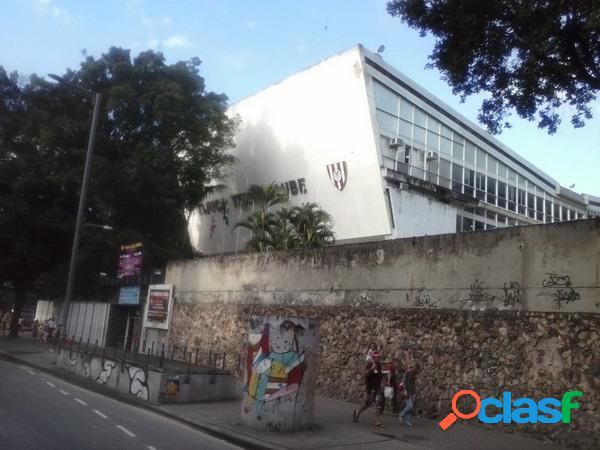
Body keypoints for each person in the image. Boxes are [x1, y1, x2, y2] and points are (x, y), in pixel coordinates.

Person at [353, 350, 385, 427]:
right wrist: (371, 369)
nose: (379, 358)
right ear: (373, 358)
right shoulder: (369, 364)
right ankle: (357, 412)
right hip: (370, 388)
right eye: (377, 357)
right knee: (367, 404)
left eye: (379, 357)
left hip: (377, 388)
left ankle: (377, 421)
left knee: (378, 404)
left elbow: (379, 375)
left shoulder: (379, 365)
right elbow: (365, 374)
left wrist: (382, 383)